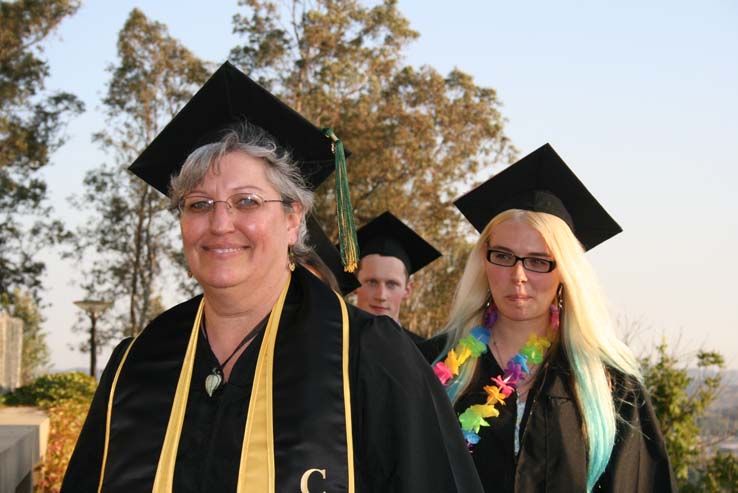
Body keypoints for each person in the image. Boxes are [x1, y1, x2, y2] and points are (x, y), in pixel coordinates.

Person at [61, 62, 482, 493]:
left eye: (246, 201)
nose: (220, 223)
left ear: (291, 217)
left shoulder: (369, 356)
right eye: (199, 204)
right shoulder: (136, 363)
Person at [424, 144, 676, 492]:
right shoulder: (434, 365)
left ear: (565, 272)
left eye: (539, 260)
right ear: (484, 260)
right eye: (504, 255)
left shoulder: (607, 382)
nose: (519, 276)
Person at [353, 211, 441, 340]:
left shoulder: (423, 355)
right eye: (372, 282)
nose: (381, 296)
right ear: (355, 284)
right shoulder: (327, 342)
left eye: (391, 284)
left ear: (407, 290)